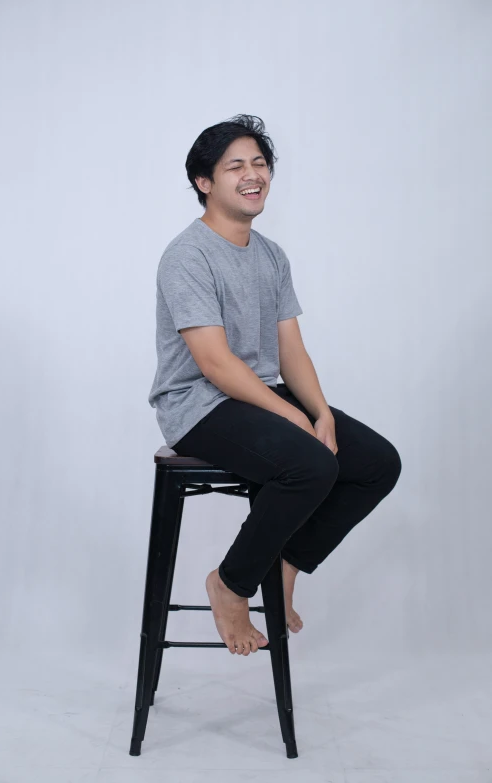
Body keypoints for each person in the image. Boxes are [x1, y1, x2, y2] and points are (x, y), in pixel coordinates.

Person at [148, 114, 402, 657]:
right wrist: (291, 418)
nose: (252, 174)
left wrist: (319, 411)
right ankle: (232, 583)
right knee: (311, 463)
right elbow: (214, 363)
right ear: (204, 182)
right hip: (199, 404)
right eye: (235, 165)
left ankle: (285, 562)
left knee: (378, 463)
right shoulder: (187, 256)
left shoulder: (270, 255)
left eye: (259, 163)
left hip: (255, 395)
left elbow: (291, 349)